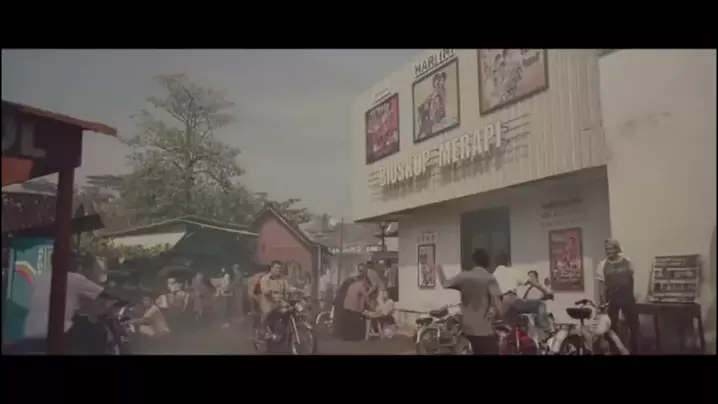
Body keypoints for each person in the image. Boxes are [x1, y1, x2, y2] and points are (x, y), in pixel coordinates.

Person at [24, 251, 126, 355]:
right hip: (59, 330)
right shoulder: (74, 277)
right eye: (75, 261)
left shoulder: (40, 278)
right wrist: (123, 299)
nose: (78, 265)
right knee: (98, 330)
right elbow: (106, 294)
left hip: (31, 328)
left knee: (81, 323)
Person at [435, 249, 503, 355]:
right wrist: (502, 317)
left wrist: (438, 268)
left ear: (473, 261)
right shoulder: (489, 278)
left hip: (467, 328)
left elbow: (445, 283)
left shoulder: (463, 276)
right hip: (485, 331)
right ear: (488, 263)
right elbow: (497, 302)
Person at [493, 253, 553, 340]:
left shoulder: (493, 274)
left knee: (514, 323)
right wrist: (546, 292)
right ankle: (545, 331)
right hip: (512, 300)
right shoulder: (511, 271)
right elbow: (532, 282)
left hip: (500, 304)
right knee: (540, 305)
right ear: (508, 263)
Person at [596, 238, 640, 354]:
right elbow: (601, 286)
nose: (608, 251)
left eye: (610, 249)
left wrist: (632, 297)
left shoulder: (627, 261)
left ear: (617, 249)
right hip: (612, 296)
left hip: (626, 295)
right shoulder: (602, 264)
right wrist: (603, 303)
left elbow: (631, 280)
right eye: (606, 249)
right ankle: (614, 351)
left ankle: (635, 350)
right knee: (612, 326)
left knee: (633, 325)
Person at [258, 260, 300, 340]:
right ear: (271, 268)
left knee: (291, 311)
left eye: (280, 268)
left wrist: (298, 291)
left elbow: (288, 288)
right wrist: (271, 293)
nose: (278, 270)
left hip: (281, 304)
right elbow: (265, 291)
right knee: (271, 313)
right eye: (276, 268)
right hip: (269, 304)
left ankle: (282, 331)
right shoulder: (265, 279)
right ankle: (267, 332)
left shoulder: (282, 279)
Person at [342, 271, 371, 341]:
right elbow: (366, 296)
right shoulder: (361, 286)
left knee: (349, 323)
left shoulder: (352, 285)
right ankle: (357, 337)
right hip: (354, 308)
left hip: (346, 306)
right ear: (364, 279)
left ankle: (347, 337)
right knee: (357, 321)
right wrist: (371, 289)